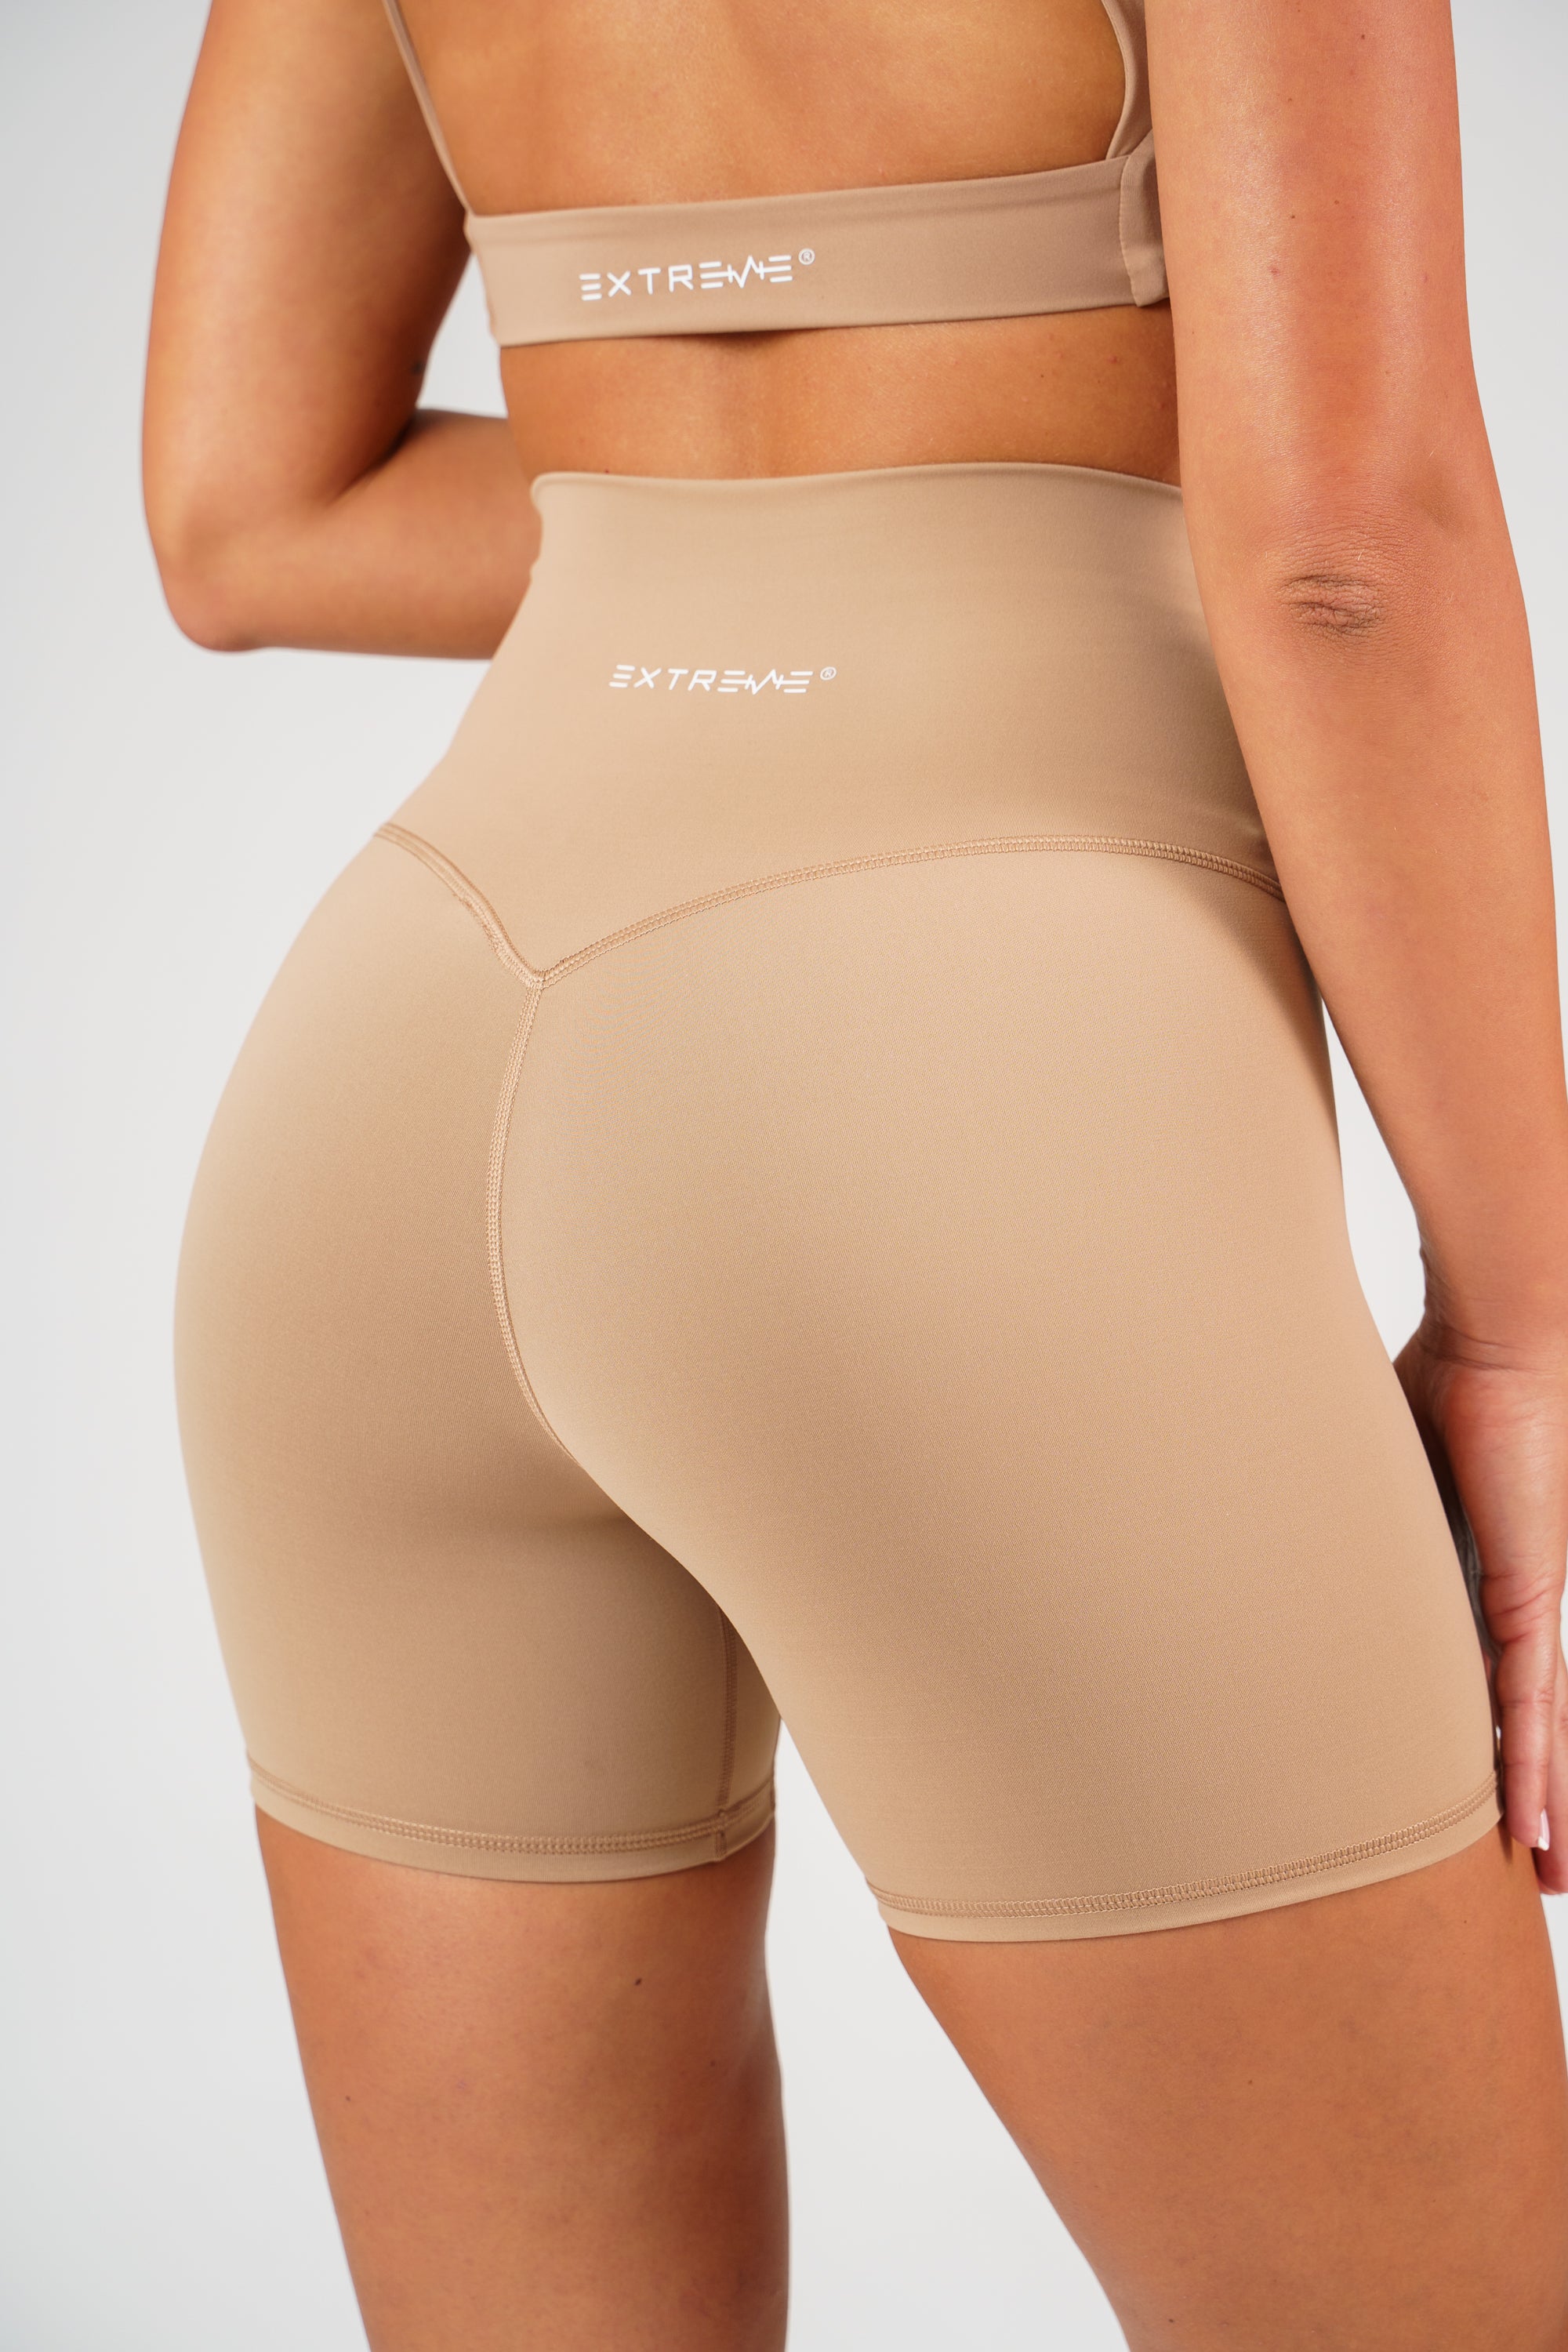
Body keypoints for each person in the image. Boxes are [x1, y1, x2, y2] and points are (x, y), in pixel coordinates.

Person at [143, 0, 1568, 2342]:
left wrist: (725, 505)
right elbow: (1338, 553)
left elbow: (243, 514)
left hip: (390, 1067)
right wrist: (1521, 1322)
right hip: (977, 1079)